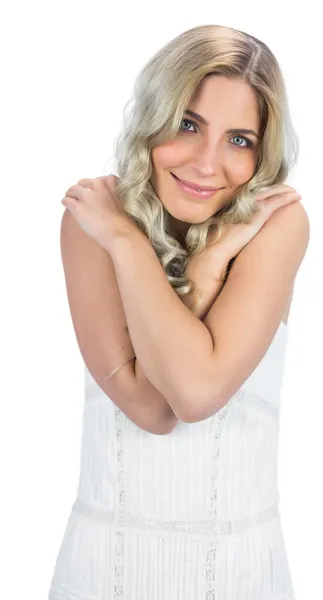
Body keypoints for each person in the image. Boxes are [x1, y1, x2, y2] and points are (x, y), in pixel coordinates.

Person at [49, 23, 309, 600]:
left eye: (240, 139)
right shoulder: (95, 221)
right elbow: (152, 407)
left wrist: (204, 256)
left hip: (238, 575)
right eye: (188, 125)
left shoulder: (273, 226)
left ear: (262, 152)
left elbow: (194, 393)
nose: (206, 163)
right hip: (103, 572)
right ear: (153, 116)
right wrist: (133, 242)